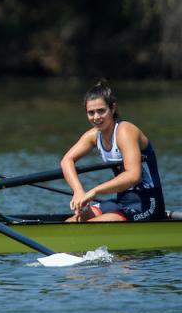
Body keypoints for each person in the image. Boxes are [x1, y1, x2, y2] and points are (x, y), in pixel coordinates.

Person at [61, 79, 165, 222]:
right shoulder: (93, 135)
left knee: (89, 226)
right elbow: (67, 160)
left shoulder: (125, 131)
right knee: (72, 222)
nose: (96, 117)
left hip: (148, 204)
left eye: (101, 111)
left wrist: (95, 191)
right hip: (122, 201)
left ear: (113, 108)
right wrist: (78, 190)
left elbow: (133, 176)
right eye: (91, 113)